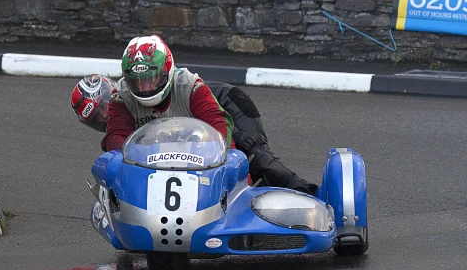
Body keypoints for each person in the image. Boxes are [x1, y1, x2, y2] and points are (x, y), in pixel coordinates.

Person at [71, 55, 318, 194]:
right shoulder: (119, 128)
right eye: (95, 120)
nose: (104, 117)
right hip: (197, 125)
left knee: (254, 155)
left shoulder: (142, 93)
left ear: (112, 92)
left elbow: (207, 124)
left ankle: (307, 193)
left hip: (225, 104)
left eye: (103, 107)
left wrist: (239, 138)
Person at [99, 35, 234, 152]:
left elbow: (219, 123)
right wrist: (137, 151)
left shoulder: (190, 85)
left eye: (151, 79)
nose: (144, 88)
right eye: (136, 81)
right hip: (144, 163)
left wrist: (219, 153)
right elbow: (115, 136)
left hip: (197, 160)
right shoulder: (122, 94)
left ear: (166, 70)